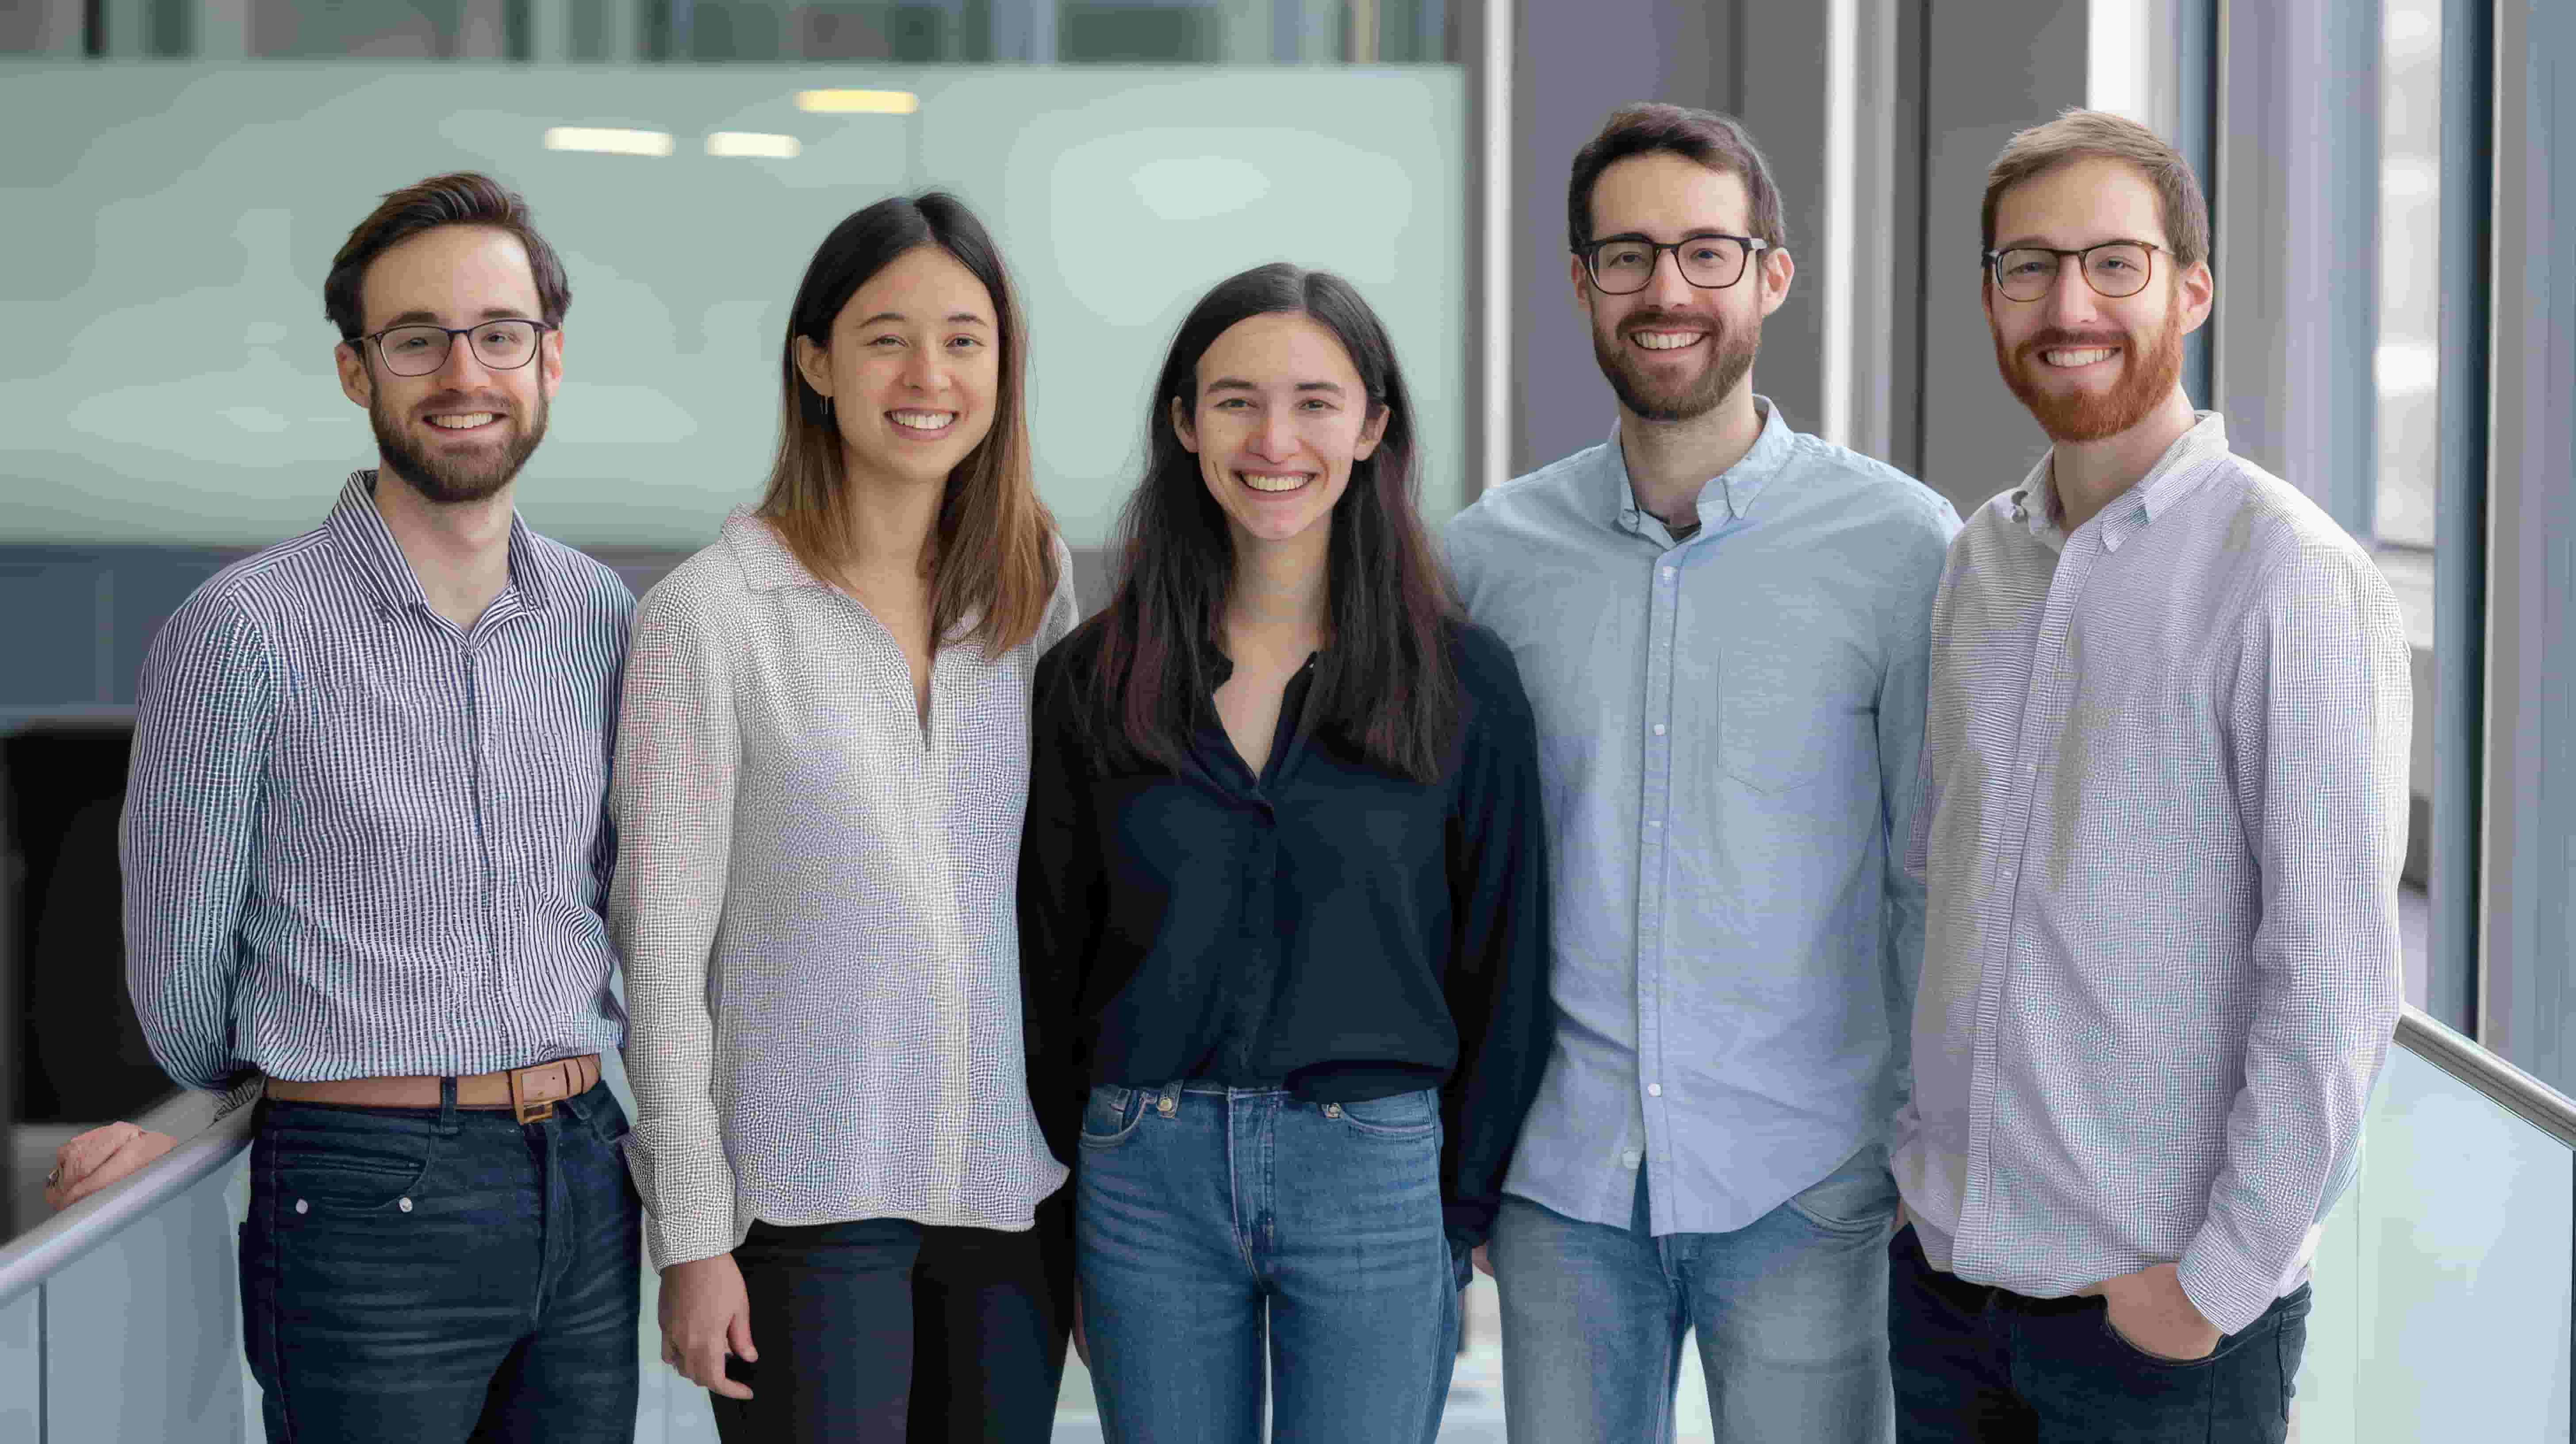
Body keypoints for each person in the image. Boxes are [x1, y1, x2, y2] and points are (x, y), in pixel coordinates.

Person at [63, 171, 643, 1442]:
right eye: (415, 339)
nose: (463, 372)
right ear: (352, 370)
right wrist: (254, 1099)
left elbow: (624, 902)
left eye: (499, 335)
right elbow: (180, 984)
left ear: (551, 361)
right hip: (366, 1197)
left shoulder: (606, 622)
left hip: (590, 1175)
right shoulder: (243, 633)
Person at [1889, 109, 2409, 1443]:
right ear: (1992, 296)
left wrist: (2211, 1286)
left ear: (2192, 287)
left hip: (2158, 1333)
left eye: (2113, 263)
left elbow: (2336, 975)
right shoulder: (1975, 566)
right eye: (2029, 267)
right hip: (1946, 1296)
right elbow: (1936, 887)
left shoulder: (2288, 573)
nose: (2070, 304)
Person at [1442, 101, 1959, 1442]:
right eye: (1627, 255)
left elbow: (1936, 867)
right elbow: (1456, 888)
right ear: (1580, 282)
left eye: (1706, 253)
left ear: (1771, 276)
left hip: (1812, 1182)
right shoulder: (1486, 562)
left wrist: (1920, 1138)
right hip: (1563, 1191)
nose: (1666, 290)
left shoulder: (1904, 549)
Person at [1018, 261, 1552, 1444]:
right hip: (1143, 1175)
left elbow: (1504, 968)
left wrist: (1453, 1211)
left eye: (1316, 402)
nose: (1275, 439)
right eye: (1235, 401)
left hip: (1375, 1172)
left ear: (1371, 427)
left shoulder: (1464, 687)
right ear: (1183, 422)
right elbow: (1048, 965)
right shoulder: (1090, 682)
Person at [611, 191, 1079, 1443]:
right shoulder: (710, 616)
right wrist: (693, 1240)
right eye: (886, 337)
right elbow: (660, 959)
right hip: (800, 1212)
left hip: (1004, 1201)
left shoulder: (1032, 592)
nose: (928, 375)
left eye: (965, 339)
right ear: (817, 365)